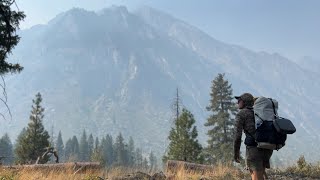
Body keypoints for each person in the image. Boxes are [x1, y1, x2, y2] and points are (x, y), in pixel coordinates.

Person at [233, 93, 273, 180]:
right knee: (260, 175)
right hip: (267, 147)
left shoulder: (241, 114)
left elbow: (237, 136)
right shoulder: (260, 112)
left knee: (256, 177)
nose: (237, 103)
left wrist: (236, 153)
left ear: (244, 102)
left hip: (254, 150)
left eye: (239, 100)